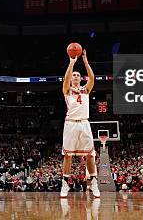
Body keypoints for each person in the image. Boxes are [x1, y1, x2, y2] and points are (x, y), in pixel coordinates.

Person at [60, 49, 101, 198]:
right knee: (68, 156)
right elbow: (65, 80)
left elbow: (92, 78)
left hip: (84, 123)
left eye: (78, 75)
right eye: (74, 75)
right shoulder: (67, 90)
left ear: (80, 78)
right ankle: (65, 184)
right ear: (71, 78)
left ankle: (94, 183)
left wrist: (85, 62)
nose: (75, 76)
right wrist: (71, 63)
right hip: (70, 124)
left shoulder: (86, 90)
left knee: (90, 155)